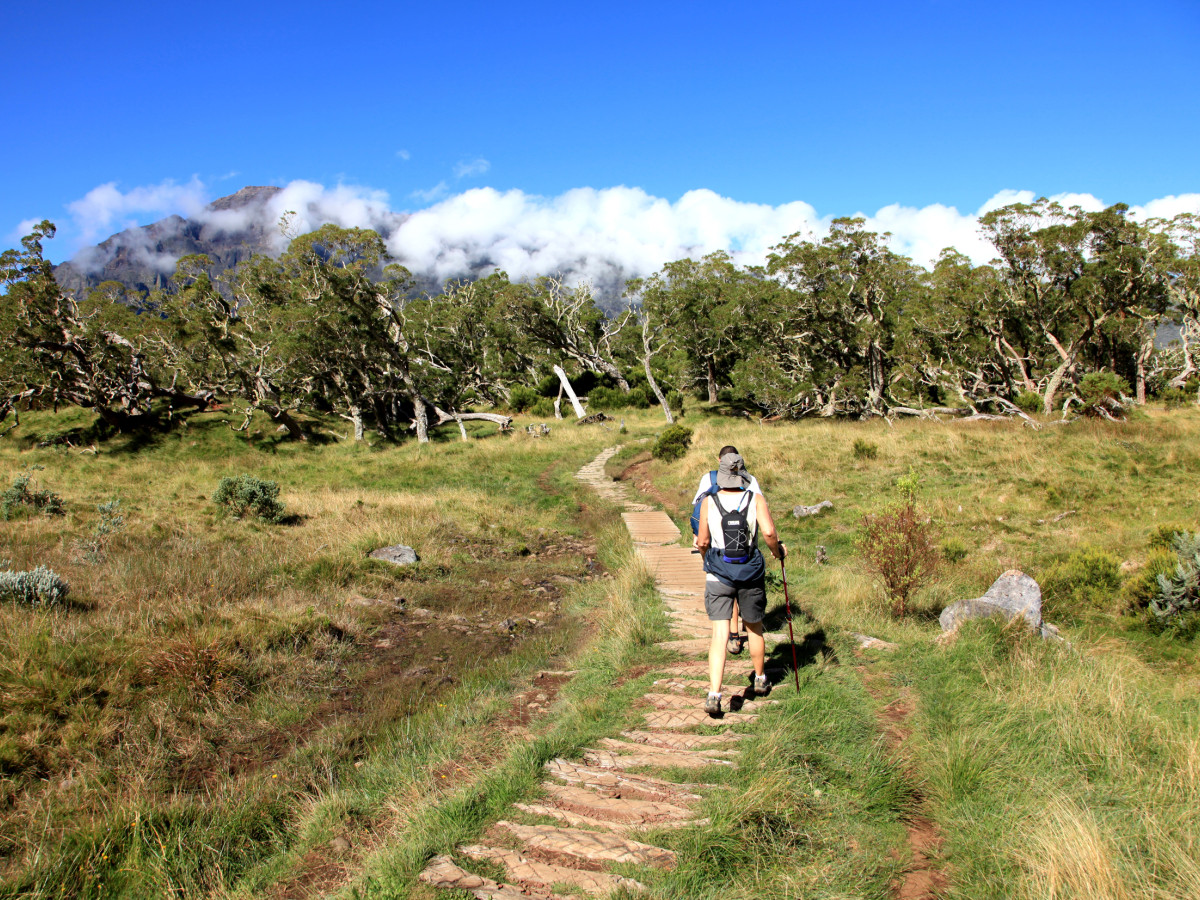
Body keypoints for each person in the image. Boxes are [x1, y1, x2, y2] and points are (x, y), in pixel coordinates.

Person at [695, 451, 785, 715]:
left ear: (720, 474)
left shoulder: (708, 502)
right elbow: (768, 532)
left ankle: (714, 693)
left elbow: (702, 541)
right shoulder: (755, 499)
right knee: (754, 627)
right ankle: (759, 679)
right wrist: (777, 551)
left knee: (719, 635)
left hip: (718, 574)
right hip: (750, 572)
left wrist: (707, 559)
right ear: (742, 473)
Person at [691, 445, 763, 656]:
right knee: (742, 584)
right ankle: (759, 669)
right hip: (746, 546)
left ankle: (732, 634)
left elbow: (698, 503)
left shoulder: (708, 478)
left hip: (716, 542)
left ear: (718, 460)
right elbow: (759, 506)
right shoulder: (752, 481)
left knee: (725, 582)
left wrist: (703, 548)